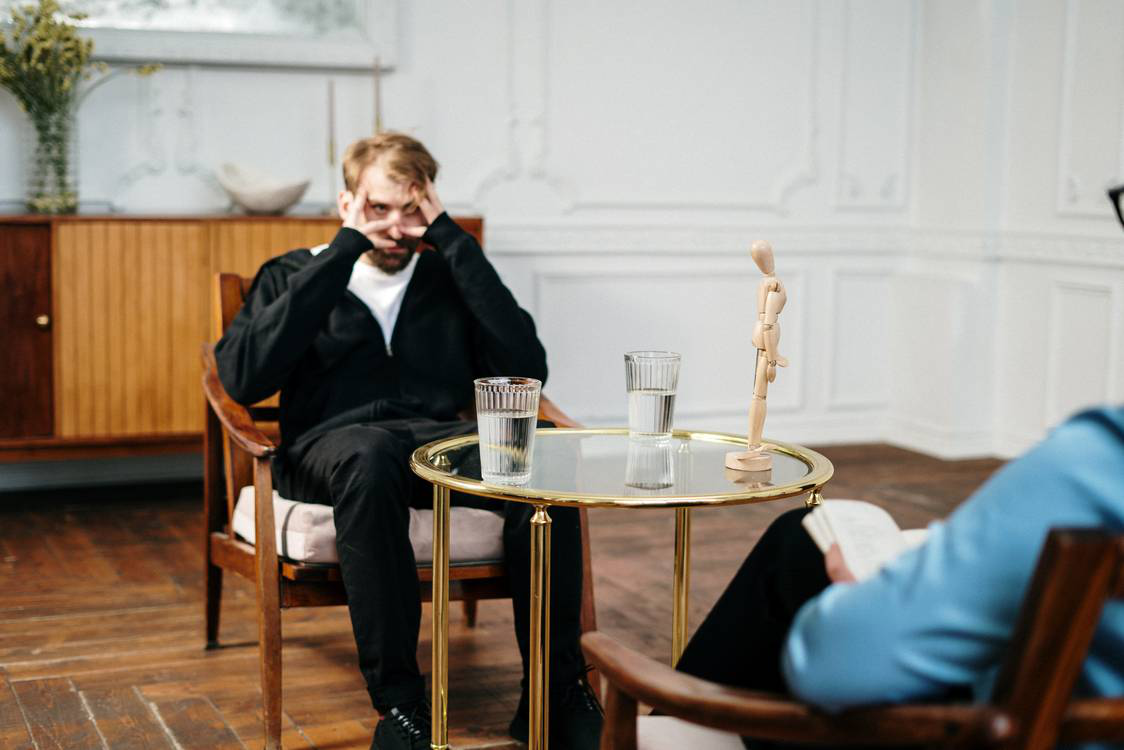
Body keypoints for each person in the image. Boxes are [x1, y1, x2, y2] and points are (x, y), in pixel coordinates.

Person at [215, 132, 602, 750]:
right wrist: (342, 253)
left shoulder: (447, 272)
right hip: (332, 445)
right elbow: (243, 375)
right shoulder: (295, 273)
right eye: (377, 208)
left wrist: (450, 239)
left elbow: (527, 366)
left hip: (440, 442)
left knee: (542, 453)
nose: (396, 227)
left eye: (412, 208)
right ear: (346, 204)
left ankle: (554, 694)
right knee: (367, 457)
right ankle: (400, 706)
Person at [675, 406, 1124, 747]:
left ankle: (664, 727)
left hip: (1011, 732)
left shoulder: (1091, 467)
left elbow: (831, 668)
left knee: (798, 545)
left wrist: (851, 593)